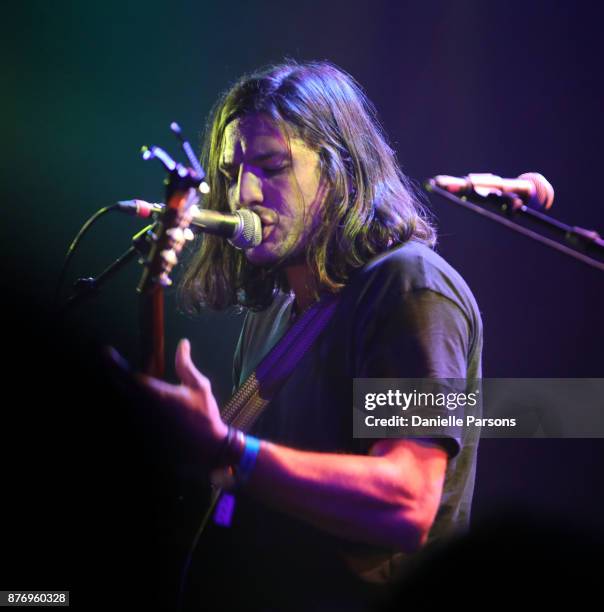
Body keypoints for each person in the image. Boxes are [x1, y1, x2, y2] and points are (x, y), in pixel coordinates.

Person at [139, 61, 483, 611]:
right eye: (231, 173)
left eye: (272, 166)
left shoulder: (409, 287)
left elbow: (408, 500)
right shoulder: (272, 312)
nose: (243, 193)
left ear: (339, 171)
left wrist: (230, 448)